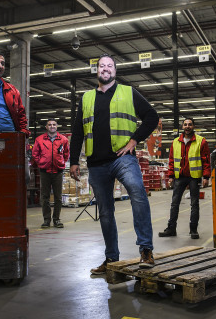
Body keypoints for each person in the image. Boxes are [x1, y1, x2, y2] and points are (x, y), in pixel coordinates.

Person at [70, 53, 159, 275]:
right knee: (106, 212)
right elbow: (77, 132)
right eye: (102, 66)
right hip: (96, 164)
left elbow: (151, 116)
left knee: (138, 193)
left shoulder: (128, 92)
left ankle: (146, 250)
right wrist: (73, 162)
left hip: (122, 159)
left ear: (115, 71)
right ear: (96, 70)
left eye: (110, 66)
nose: (105, 69)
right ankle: (111, 258)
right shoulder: (86, 98)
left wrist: (133, 140)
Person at [158, 118, 210, 239]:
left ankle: (193, 230)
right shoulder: (176, 142)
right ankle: (171, 229)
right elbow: (171, 160)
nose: (187, 126)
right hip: (179, 177)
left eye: (190, 124)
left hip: (194, 177)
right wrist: (170, 176)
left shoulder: (201, 141)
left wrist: (206, 176)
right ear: (182, 127)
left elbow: (206, 160)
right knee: (174, 204)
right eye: (185, 124)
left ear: (193, 126)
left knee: (194, 204)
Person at [32, 119, 69, 228]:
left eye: (54, 124)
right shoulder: (39, 139)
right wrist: (41, 163)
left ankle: (56, 219)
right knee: (45, 197)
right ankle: (46, 220)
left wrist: (61, 162)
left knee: (58, 197)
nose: (52, 126)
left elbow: (66, 154)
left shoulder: (63, 140)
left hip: (58, 171)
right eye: (49, 125)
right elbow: (35, 154)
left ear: (57, 127)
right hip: (45, 171)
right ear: (46, 127)